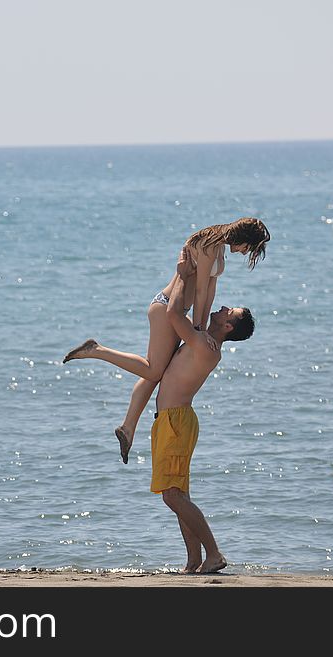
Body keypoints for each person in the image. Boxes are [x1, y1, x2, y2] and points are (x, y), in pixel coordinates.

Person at [63, 217, 269, 463]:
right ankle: (95, 350)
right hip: (166, 309)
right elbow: (200, 290)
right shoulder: (208, 244)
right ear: (243, 236)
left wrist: (201, 330)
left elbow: (210, 291)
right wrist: (198, 329)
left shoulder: (219, 247)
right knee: (153, 370)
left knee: (158, 371)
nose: (245, 252)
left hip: (177, 311)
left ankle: (128, 428)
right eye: (249, 247)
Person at [100, 248, 255, 573]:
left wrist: (182, 275)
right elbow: (205, 297)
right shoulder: (205, 340)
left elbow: (172, 316)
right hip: (171, 421)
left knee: (172, 496)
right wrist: (206, 274)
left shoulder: (205, 346)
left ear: (228, 327)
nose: (224, 308)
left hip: (177, 422)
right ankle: (193, 560)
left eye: (229, 311)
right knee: (178, 494)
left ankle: (214, 554)